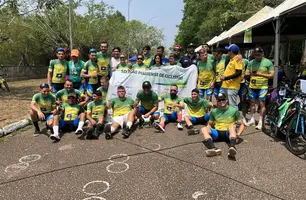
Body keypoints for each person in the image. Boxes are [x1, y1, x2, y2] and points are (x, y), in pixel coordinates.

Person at [201, 93, 244, 158]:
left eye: (223, 99)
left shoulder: (234, 110)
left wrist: (238, 134)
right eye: (219, 100)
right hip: (217, 133)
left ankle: (232, 147)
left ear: (226, 100)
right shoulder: (214, 111)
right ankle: (214, 149)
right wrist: (207, 132)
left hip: (228, 133)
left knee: (232, 126)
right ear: (217, 101)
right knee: (203, 129)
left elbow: (242, 125)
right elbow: (209, 124)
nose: (221, 101)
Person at [245, 47, 274, 130]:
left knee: (262, 104)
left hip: (263, 86)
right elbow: (246, 73)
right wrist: (250, 73)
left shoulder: (268, 62)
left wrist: (261, 74)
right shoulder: (251, 62)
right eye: (255, 54)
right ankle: (252, 119)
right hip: (252, 86)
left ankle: (261, 121)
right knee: (252, 103)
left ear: (262, 54)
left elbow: (272, 75)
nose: (257, 56)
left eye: (259, 54)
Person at [221, 44, 243, 110]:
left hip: (232, 86)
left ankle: (238, 119)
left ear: (231, 51)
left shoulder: (237, 59)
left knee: (232, 105)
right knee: (226, 104)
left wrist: (226, 78)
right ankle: (229, 119)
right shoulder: (231, 59)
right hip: (226, 85)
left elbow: (239, 72)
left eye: (228, 50)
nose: (227, 52)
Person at [238, 57, 249, 125]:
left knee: (243, 101)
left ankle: (244, 117)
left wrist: (245, 75)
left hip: (242, 84)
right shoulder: (230, 60)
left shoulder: (245, 61)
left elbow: (248, 71)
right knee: (231, 102)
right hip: (233, 84)